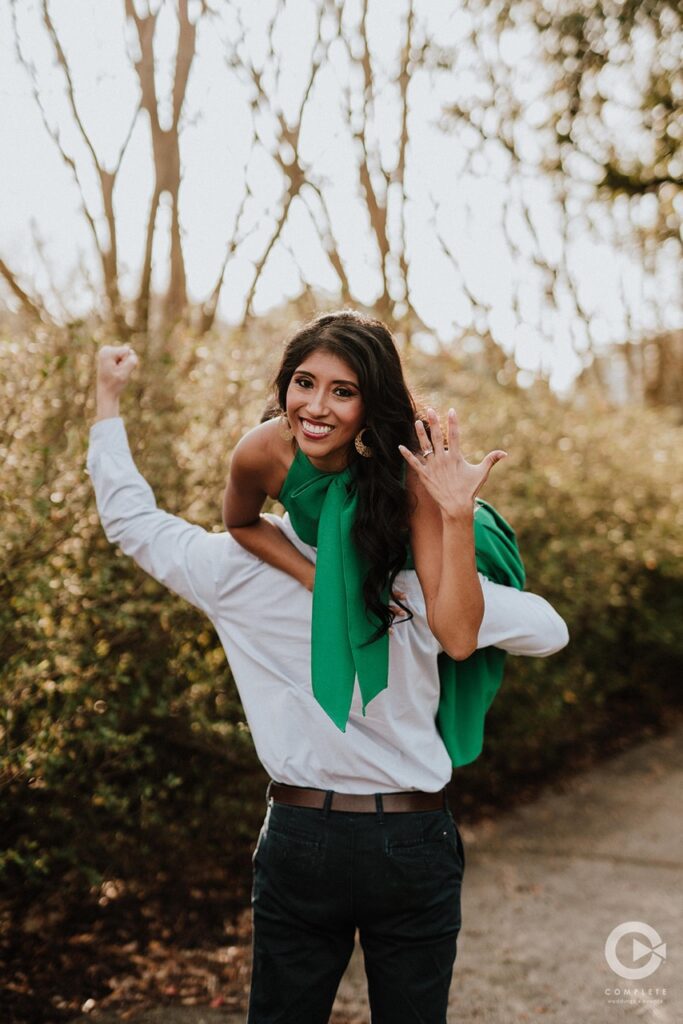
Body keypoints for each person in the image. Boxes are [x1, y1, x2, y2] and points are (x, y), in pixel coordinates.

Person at [89, 342, 568, 1024]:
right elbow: (547, 630)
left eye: (339, 391)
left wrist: (107, 401)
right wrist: (454, 526)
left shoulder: (232, 569)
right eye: (305, 387)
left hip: (299, 833)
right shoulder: (423, 584)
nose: (316, 407)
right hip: (410, 835)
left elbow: (130, 521)